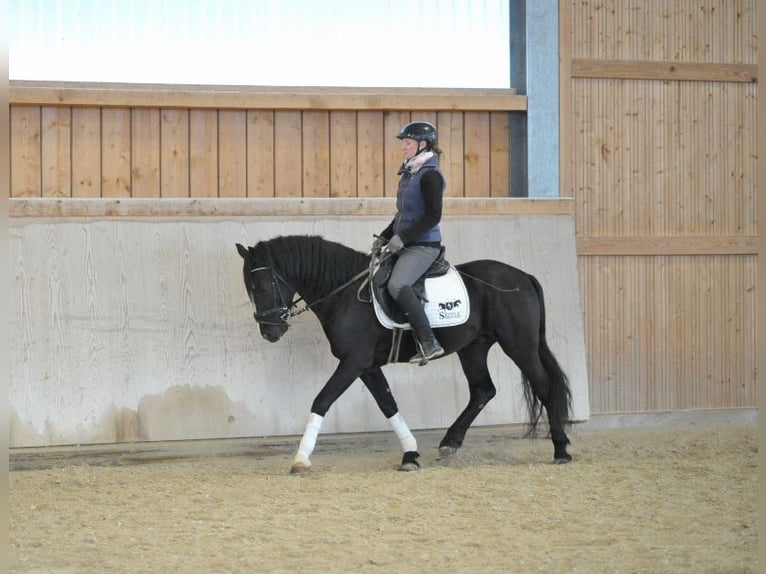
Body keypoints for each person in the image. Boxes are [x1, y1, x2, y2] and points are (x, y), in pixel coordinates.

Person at [373, 120, 446, 365]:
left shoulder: (430, 176)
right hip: (406, 242)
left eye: (407, 143)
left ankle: (429, 342)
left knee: (396, 284)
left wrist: (402, 238)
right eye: (404, 143)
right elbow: (403, 214)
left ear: (422, 144)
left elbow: (433, 216)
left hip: (424, 245)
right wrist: (385, 236)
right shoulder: (409, 173)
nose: (403, 147)